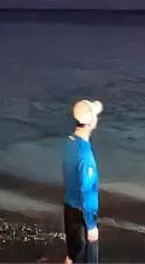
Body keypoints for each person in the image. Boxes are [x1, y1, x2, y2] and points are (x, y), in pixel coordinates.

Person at [62, 98, 102, 264]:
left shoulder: (70, 142)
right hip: (82, 216)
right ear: (90, 122)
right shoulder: (85, 156)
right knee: (86, 258)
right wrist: (91, 224)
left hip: (69, 209)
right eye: (95, 116)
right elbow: (87, 190)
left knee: (72, 255)